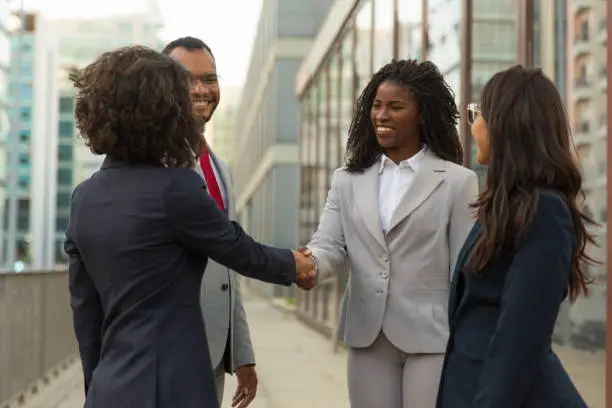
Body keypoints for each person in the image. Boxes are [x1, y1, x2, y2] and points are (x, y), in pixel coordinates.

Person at [64, 45, 315, 408]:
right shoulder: (176, 188)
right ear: (165, 112)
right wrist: (301, 264)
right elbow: (241, 252)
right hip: (177, 385)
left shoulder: (83, 198)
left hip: (112, 386)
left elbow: (85, 315)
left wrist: (98, 386)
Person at [303, 59, 479, 408]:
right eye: (376, 105)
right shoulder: (348, 179)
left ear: (422, 114)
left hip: (432, 338)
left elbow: (465, 270)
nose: (381, 115)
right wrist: (307, 266)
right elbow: (329, 245)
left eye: (395, 107)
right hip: (368, 335)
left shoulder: (458, 182)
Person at [436, 65, 593, 408]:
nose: (473, 124)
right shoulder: (504, 207)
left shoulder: (544, 212)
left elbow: (519, 340)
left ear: (507, 124)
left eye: (479, 114)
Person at [162, 36, 269, 408]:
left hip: (209, 356)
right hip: (165, 356)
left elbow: (228, 265)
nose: (201, 89)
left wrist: (242, 354)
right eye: (186, 79)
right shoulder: (150, 165)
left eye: (209, 79)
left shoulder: (220, 168)